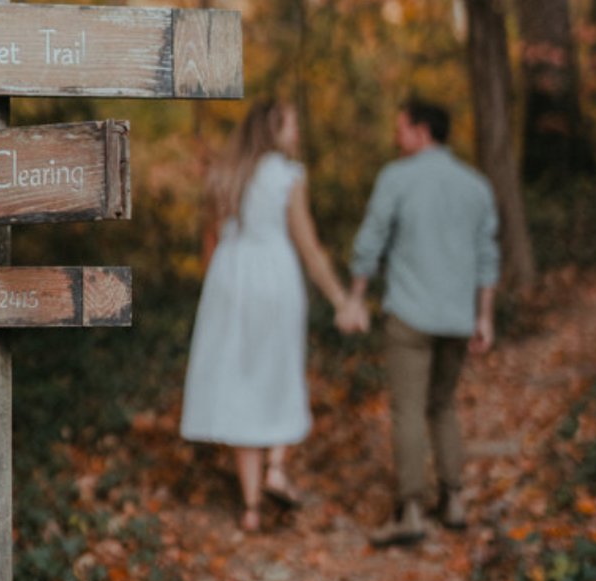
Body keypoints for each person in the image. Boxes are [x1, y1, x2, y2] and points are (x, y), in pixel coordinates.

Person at [180, 98, 349, 534]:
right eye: (291, 125)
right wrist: (340, 297)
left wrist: (213, 289)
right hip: (274, 276)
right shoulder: (287, 176)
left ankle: (252, 507)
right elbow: (308, 246)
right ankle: (276, 466)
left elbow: (210, 241)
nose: (296, 133)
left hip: (230, 279)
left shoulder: (225, 173)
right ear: (272, 129)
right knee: (279, 371)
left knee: (239, 379)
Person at [339, 97, 500, 548]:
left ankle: (410, 509)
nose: (396, 136)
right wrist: (484, 316)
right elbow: (489, 256)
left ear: (422, 132)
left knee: (409, 410)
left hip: (410, 316)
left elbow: (370, 241)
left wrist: (356, 298)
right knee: (442, 406)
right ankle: (454, 501)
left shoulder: (396, 178)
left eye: (401, 128)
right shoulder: (476, 185)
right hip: (457, 319)